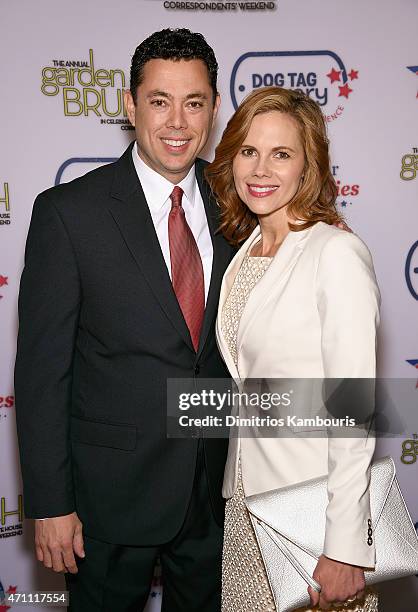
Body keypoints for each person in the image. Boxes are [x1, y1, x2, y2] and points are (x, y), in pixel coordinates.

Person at [14, 29, 235, 612]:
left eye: (194, 102)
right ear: (130, 105)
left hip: (214, 493)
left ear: (214, 108)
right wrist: (50, 503)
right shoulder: (69, 213)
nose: (178, 122)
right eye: (160, 100)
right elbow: (41, 373)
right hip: (105, 502)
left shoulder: (238, 203)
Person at [206, 87, 380, 611]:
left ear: (308, 167)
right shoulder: (243, 254)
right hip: (245, 508)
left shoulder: (335, 253)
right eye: (248, 151)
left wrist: (346, 546)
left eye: (281, 154)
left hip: (312, 516)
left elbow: (355, 409)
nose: (261, 169)